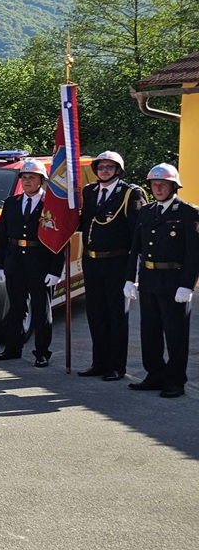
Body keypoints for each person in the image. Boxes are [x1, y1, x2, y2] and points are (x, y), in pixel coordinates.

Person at [124, 163, 199, 399]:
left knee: (175, 334)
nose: (157, 188)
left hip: (174, 280)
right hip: (149, 278)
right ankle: (155, 374)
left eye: (163, 184)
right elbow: (136, 247)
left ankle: (175, 380)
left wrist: (187, 285)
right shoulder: (146, 211)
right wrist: (130, 279)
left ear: (173, 186)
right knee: (150, 331)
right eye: (154, 184)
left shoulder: (188, 212)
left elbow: (194, 253)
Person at [77, 151, 145, 381]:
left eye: (109, 167)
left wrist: (134, 273)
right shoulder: (90, 191)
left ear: (118, 170)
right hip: (92, 261)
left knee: (116, 316)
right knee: (96, 315)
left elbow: (137, 234)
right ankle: (99, 362)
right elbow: (84, 222)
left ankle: (116, 366)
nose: (104, 170)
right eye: (101, 166)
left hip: (117, 262)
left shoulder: (130, 193)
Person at [0, 159, 65, 367]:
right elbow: (2, 236)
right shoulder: (11, 203)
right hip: (15, 262)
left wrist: (55, 270)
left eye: (32, 177)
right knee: (16, 308)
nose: (27, 181)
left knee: (41, 310)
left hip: (41, 263)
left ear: (41, 180)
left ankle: (42, 352)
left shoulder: (50, 205)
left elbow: (59, 240)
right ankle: (12, 348)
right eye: (24, 177)